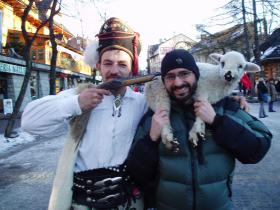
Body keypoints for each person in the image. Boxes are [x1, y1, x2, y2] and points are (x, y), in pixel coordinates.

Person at [21, 17, 147, 210]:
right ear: (98, 66)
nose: (114, 70)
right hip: (83, 203)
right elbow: (29, 121)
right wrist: (77, 103)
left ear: (132, 67)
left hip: (128, 202)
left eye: (122, 64)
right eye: (108, 63)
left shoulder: (141, 103)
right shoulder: (80, 95)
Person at [125, 49, 272, 210]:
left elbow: (259, 147)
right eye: (170, 76)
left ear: (196, 74)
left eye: (184, 73)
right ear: (163, 81)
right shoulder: (154, 117)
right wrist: (151, 140)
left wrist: (217, 122)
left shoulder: (224, 107)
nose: (178, 82)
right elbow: (136, 173)